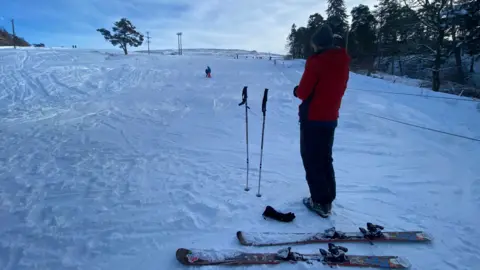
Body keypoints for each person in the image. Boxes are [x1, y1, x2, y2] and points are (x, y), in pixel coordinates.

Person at [293, 24, 350, 218]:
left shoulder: (316, 61)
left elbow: (302, 92)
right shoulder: (342, 61)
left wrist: (296, 90)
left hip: (313, 117)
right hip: (330, 117)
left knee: (311, 158)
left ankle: (319, 201)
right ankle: (327, 199)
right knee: (325, 158)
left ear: (318, 44)